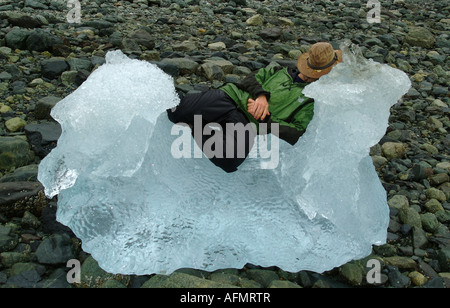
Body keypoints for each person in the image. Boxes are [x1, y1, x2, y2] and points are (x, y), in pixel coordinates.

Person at [167, 42, 343, 173]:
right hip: (230, 97)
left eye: (314, 75)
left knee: (229, 162)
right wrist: (261, 96)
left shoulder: (312, 101)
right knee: (175, 113)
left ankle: (199, 126)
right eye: (308, 70)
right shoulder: (279, 71)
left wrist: (266, 118)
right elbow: (249, 79)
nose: (308, 76)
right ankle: (157, 85)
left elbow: (296, 132)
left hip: (248, 123)